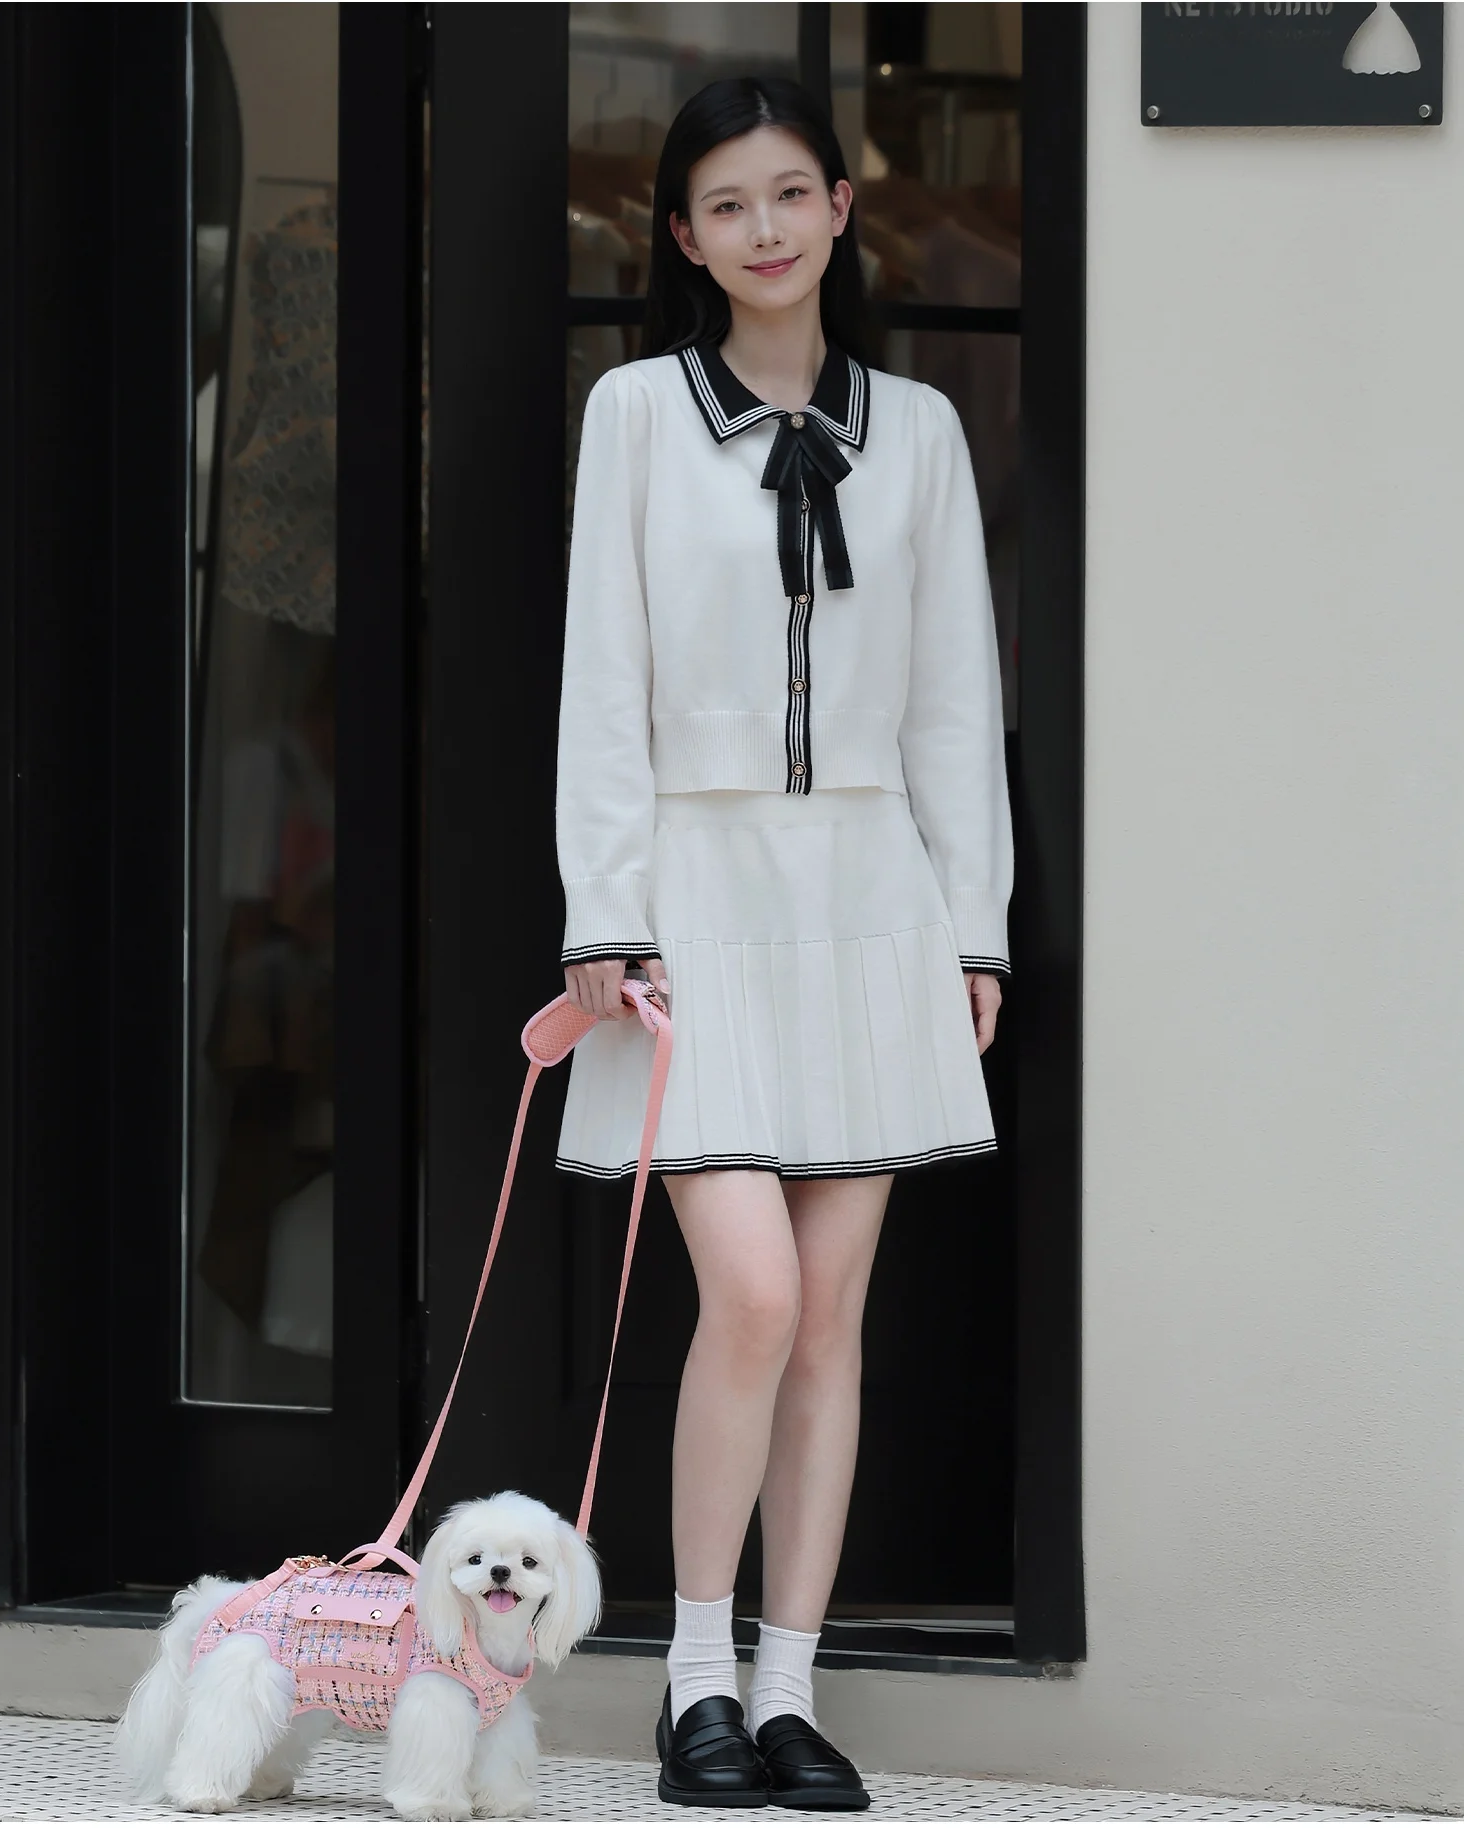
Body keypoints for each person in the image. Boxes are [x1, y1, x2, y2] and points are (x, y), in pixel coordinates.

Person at [554, 75, 1012, 1811]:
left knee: (830, 1322)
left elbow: (955, 698)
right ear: (683, 235)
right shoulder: (634, 418)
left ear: (840, 210)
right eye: (727, 203)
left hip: (871, 899)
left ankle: (790, 1690)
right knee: (749, 1295)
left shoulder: (922, 434)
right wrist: (606, 908)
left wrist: (974, 929)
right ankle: (694, 1684)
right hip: (695, 896)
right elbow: (603, 682)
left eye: (790, 194)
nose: (764, 228)